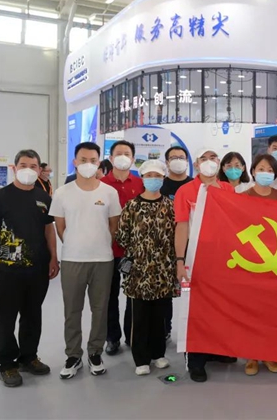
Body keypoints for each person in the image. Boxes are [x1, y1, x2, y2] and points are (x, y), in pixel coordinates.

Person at [0, 149, 59, 388]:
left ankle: (28, 357)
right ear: (14, 168)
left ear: (39, 170)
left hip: (37, 269)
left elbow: (49, 230)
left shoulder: (44, 198)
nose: (28, 170)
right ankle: (7, 364)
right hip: (7, 271)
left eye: (33, 166)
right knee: (6, 318)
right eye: (23, 165)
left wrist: (53, 258)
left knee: (33, 315)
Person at [49, 142, 122, 380]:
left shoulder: (109, 193)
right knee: (72, 310)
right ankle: (73, 355)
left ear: (99, 163)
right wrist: (75, 243)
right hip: (73, 259)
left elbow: (113, 226)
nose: (87, 164)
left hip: (103, 260)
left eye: (92, 160)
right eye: (83, 160)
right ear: (75, 162)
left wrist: (99, 243)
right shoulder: (62, 193)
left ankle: (95, 353)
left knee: (100, 310)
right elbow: (60, 228)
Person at [174, 147, 236, 383]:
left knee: (220, 305)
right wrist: (180, 261)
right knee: (196, 308)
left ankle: (216, 349)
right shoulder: (185, 191)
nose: (209, 162)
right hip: (195, 256)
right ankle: (196, 360)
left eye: (213, 158)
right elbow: (181, 226)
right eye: (204, 158)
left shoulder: (228, 189)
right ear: (196, 164)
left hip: (223, 258)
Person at [116, 160, 176, 376]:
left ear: (163, 178)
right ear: (142, 178)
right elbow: (122, 236)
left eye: (157, 175)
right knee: (139, 316)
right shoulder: (132, 206)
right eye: (149, 175)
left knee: (160, 314)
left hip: (163, 269)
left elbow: (176, 236)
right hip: (138, 271)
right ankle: (141, 358)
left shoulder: (169, 206)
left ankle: (158, 354)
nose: (153, 179)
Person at [241, 153, 277, 376]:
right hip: (252, 262)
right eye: (261, 169)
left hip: (276, 259)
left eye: (270, 170)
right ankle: (251, 356)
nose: (265, 173)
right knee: (251, 310)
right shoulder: (243, 197)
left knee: (272, 311)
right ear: (253, 171)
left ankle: (270, 353)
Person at [101, 140, 144, 356]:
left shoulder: (140, 183)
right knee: (109, 296)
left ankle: (132, 335)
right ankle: (112, 337)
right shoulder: (101, 184)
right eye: (119, 153)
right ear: (110, 158)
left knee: (134, 296)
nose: (123, 157)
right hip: (107, 249)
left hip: (134, 250)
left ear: (133, 159)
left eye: (127, 153)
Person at [159, 146, 192, 343]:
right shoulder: (160, 186)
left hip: (191, 248)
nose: (178, 160)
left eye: (181, 157)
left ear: (187, 161)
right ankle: (165, 329)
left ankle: (192, 332)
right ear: (167, 162)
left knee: (191, 293)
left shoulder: (193, 186)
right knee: (165, 293)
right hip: (164, 248)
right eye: (173, 158)